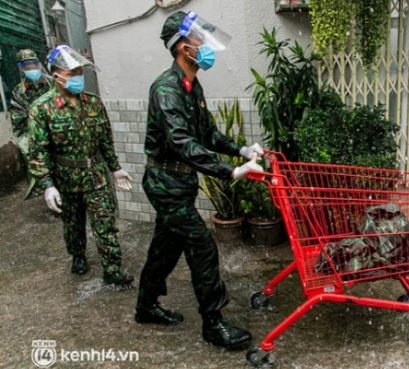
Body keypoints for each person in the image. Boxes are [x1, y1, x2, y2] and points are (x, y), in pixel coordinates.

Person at [135, 11, 264, 351]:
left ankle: (145, 306)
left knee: (166, 246)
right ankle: (213, 323)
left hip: (180, 182)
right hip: (165, 183)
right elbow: (181, 142)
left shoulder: (192, 86)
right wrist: (229, 171)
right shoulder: (166, 88)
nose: (204, 45)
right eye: (198, 40)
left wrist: (240, 149)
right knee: (202, 246)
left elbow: (206, 133)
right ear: (182, 47)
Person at [27, 45, 135, 287]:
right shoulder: (41, 108)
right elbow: (38, 150)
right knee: (73, 224)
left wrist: (115, 168)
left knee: (105, 221)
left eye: (80, 72)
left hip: (96, 175)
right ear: (57, 76)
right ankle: (78, 256)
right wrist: (47, 184)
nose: (78, 77)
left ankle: (112, 268)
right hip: (65, 177)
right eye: (73, 73)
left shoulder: (93, 103)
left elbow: (105, 139)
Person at [10, 49, 53, 157]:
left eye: (34, 64)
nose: (32, 68)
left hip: (59, 135)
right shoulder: (19, 91)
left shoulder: (52, 83)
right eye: (27, 66)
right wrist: (27, 148)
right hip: (37, 141)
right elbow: (18, 123)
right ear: (22, 68)